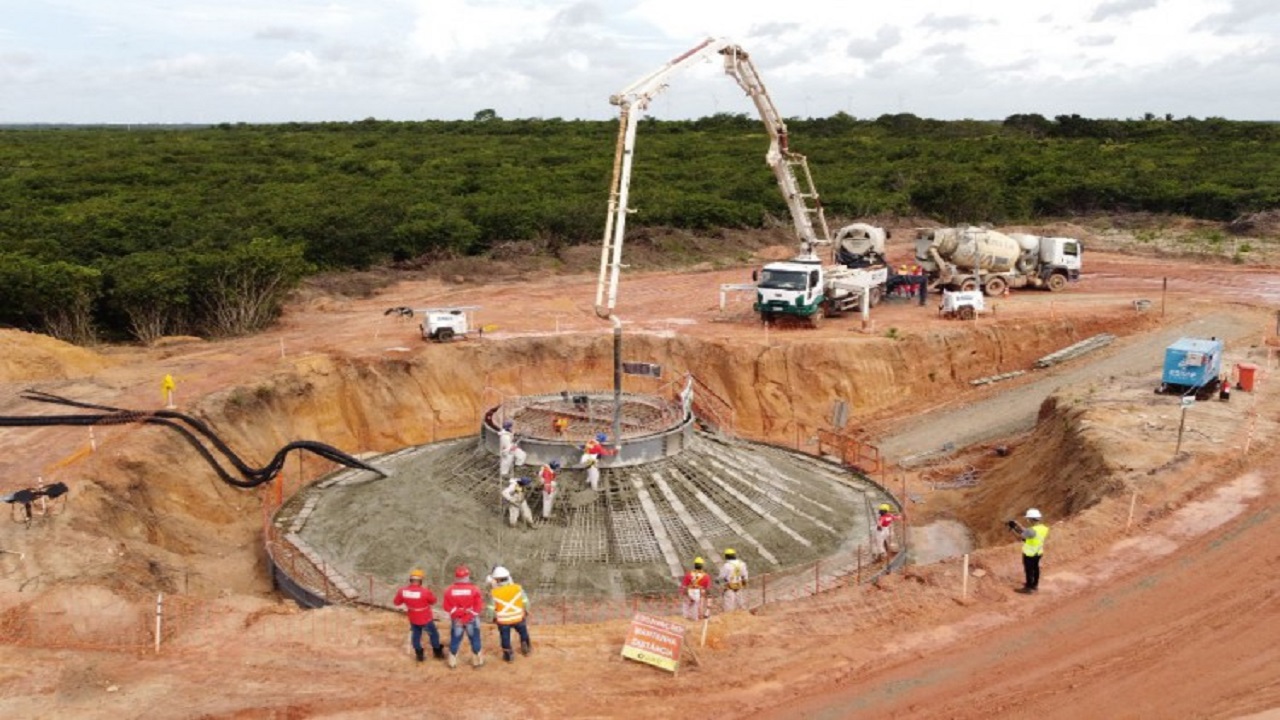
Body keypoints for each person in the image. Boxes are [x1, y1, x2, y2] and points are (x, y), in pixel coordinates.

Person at [392, 568, 444, 662]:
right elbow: (433, 601)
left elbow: (396, 602)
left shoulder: (402, 591)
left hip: (413, 617)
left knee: (416, 635)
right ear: (420, 581)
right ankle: (437, 652)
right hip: (425, 618)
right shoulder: (425, 592)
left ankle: (419, 656)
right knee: (433, 634)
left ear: (410, 580)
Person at [443, 565, 485, 668]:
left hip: (457, 619)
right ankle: (477, 661)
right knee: (474, 638)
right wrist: (468, 616)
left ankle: (452, 662)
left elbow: (446, 606)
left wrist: (459, 615)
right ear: (467, 577)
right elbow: (478, 606)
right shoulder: (474, 590)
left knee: (455, 639)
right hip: (471, 618)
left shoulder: (449, 590)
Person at [487, 566, 532, 663]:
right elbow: (526, 602)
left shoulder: (495, 592)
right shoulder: (517, 588)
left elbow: (490, 609)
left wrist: (492, 618)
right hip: (518, 617)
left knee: (505, 637)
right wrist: (527, 611)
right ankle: (526, 648)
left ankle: (508, 656)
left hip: (503, 621)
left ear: (497, 579)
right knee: (523, 633)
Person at [1008, 508, 1049, 594]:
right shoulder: (1043, 528)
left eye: (1028, 519)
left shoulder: (1031, 531)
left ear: (1030, 519)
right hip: (1038, 552)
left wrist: (1013, 529)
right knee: (1036, 568)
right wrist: (1017, 524)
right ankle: (1035, 585)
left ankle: (1028, 588)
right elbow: (1028, 532)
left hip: (1030, 554)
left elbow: (1020, 538)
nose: (1027, 520)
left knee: (1029, 570)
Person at [718, 548, 749, 612]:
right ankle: (743, 614)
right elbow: (745, 575)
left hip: (729, 585)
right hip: (739, 584)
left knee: (729, 603)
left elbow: (722, 576)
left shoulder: (726, 565)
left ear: (726, 556)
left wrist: (717, 580)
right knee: (740, 601)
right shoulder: (742, 563)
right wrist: (744, 582)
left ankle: (729, 617)